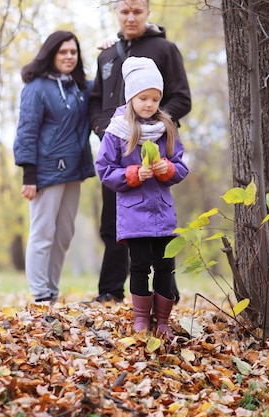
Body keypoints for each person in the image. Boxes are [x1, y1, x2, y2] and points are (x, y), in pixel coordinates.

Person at [88, 0, 191, 304]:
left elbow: (182, 98)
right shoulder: (107, 54)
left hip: (154, 148)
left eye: (137, 11)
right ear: (117, 14)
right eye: (124, 11)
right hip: (117, 147)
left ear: (148, 13)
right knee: (114, 221)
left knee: (157, 221)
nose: (130, 17)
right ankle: (109, 290)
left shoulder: (165, 49)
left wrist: (157, 124)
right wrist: (102, 128)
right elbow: (94, 100)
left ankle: (166, 290)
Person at [95, 57, 189, 337]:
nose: (149, 104)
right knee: (138, 267)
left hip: (162, 213)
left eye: (155, 99)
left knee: (165, 267)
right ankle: (140, 320)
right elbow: (105, 169)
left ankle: (162, 321)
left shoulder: (166, 129)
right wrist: (133, 174)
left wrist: (168, 169)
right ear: (131, 97)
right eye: (143, 98)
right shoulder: (117, 131)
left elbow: (181, 166)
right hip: (134, 214)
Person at [13, 31, 95, 303]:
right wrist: (29, 174)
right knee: (43, 233)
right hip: (46, 172)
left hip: (74, 170)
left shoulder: (80, 87)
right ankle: (39, 296)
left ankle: (51, 291)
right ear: (51, 55)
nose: (69, 57)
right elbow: (26, 131)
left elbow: (111, 83)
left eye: (73, 52)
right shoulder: (36, 88)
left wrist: (111, 50)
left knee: (64, 235)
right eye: (63, 52)